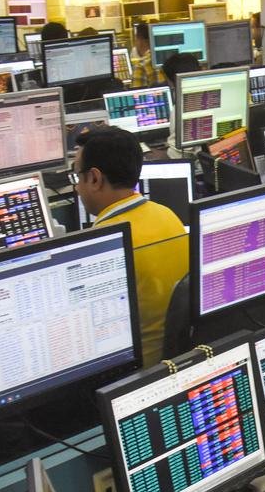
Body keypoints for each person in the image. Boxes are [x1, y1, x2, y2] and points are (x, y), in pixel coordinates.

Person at [72, 127, 187, 367]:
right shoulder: (166, 214)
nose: (76, 188)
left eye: (77, 176)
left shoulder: (104, 244)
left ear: (94, 178)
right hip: (175, 358)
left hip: (135, 373)